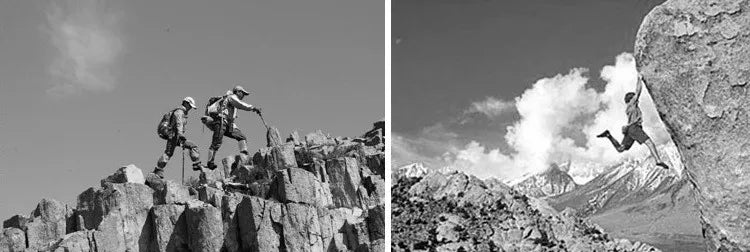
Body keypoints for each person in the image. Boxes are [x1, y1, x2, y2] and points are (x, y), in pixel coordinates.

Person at [596, 73, 669, 169]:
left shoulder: (628, 108)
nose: (638, 101)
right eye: (635, 99)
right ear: (631, 99)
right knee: (649, 143)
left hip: (630, 129)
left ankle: (609, 136)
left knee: (620, 149)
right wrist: (639, 79)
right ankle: (658, 160)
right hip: (635, 128)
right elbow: (638, 91)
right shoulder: (632, 104)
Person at [205, 85, 262, 170]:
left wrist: (235, 127)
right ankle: (210, 162)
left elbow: (231, 117)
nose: (243, 96)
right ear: (238, 92)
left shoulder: (231, 100)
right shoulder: (232, 97)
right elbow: (240, 105)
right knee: (216, 142)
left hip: (227, 124)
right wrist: (253, 108)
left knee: (241, 137)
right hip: (220, 121)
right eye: (243, 93)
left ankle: (244, 156)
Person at [154, 97, 205, 179]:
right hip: (173, 135)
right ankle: (158, 170)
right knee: (168, 153)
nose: (190, 108)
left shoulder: (182, 113)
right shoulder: (179, 112)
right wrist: (181, 134)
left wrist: (181, 135)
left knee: (192, 146)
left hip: (177, 136)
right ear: (185, 103)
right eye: (190, 106)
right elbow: (179, 123)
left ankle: (197, 163)